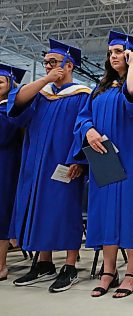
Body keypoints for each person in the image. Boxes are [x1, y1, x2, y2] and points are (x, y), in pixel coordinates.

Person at [73, 30, 133, 298]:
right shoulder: (99, 88)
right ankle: (109, 271)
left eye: (119, 52)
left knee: (131, 213)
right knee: (105, 212)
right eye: (110, 53)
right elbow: (82, 117)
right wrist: (88, 130)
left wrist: (132, 64)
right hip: (104, 158)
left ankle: (132, 273)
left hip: (131, 158)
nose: (113, 57)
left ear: (131, 54)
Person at [7, 39, 89, 292]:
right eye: (46, 63)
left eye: (54, 62)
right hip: (35, 163)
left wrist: (79, 161)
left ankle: (70, 266)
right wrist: (46, 79)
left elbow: (85, 129)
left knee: (65, 212)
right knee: (38, 209)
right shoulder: (41, 93)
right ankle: (44, 263)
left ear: (69, 65)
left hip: (64, 163)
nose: (48, 66)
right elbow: (17, 104)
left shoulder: (82, 94)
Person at [0, 64, 25, 282]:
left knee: (2, 212)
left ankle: (0, 265)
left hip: (5, 166)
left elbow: (4, 137)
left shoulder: (10, 109)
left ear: (11, 84)